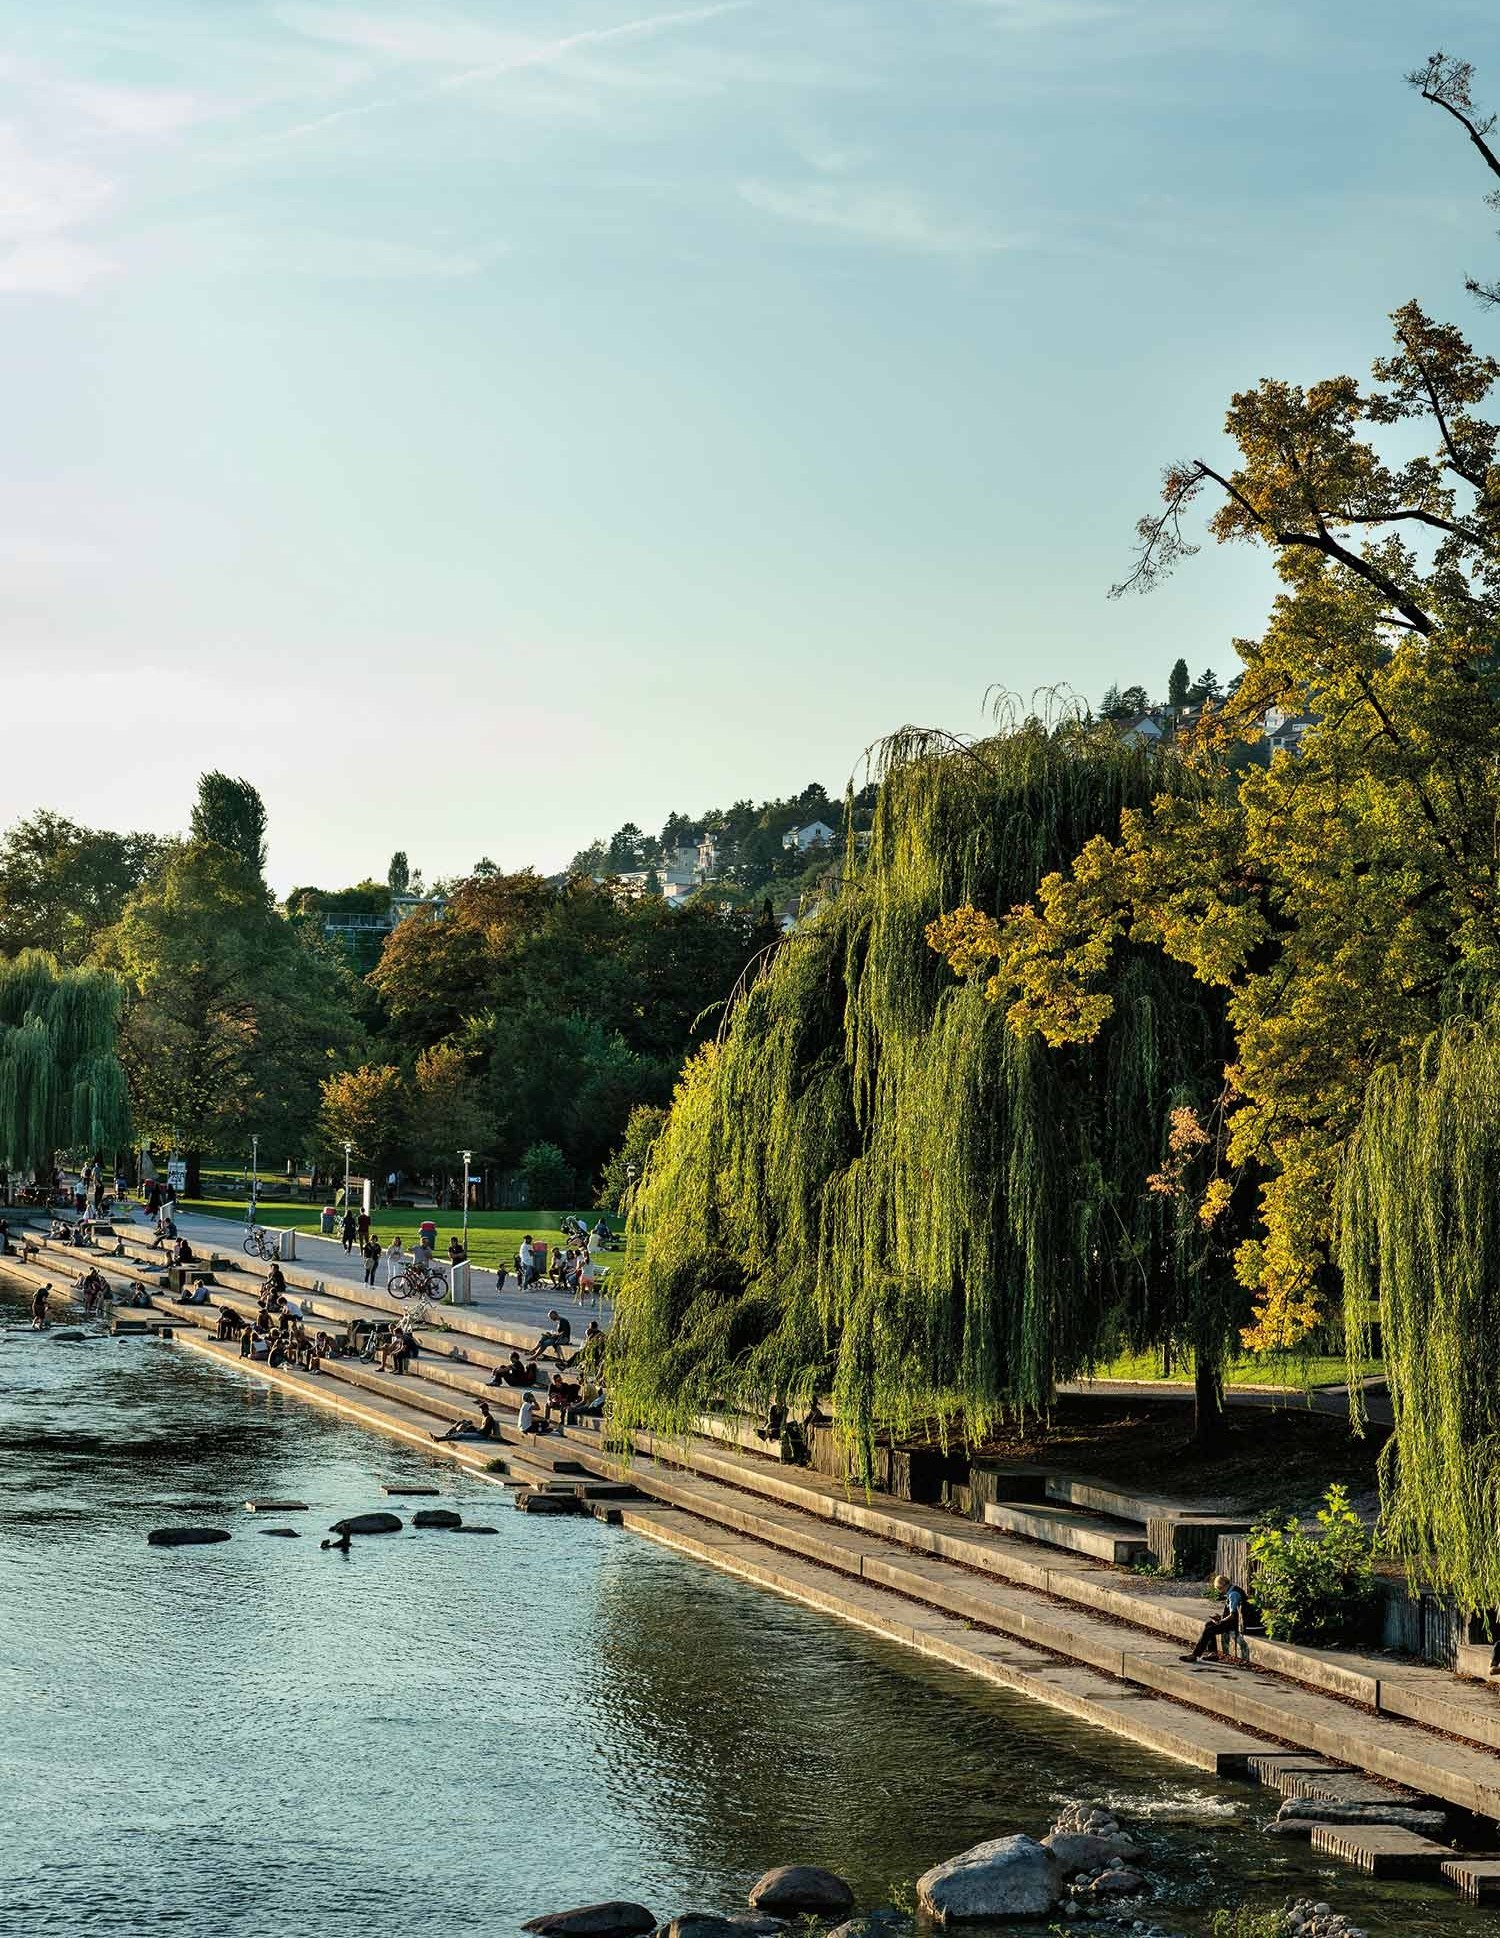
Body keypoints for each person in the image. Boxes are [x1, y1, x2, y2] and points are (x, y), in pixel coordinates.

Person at [1182, 1575, 1249, 1664]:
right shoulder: (1233, 1590)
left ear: (1224, 1586)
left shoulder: (1233, 1594)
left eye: (1220, 1589)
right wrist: (1220, 1617)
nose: (1221, 1592)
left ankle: (1195, 1655)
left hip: (1235, 1624)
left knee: (1209, 1630)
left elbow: (1233, 1615)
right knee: (1209, 1624)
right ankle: (1212, 1653)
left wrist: (1221, 1621)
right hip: (1232, 1621)